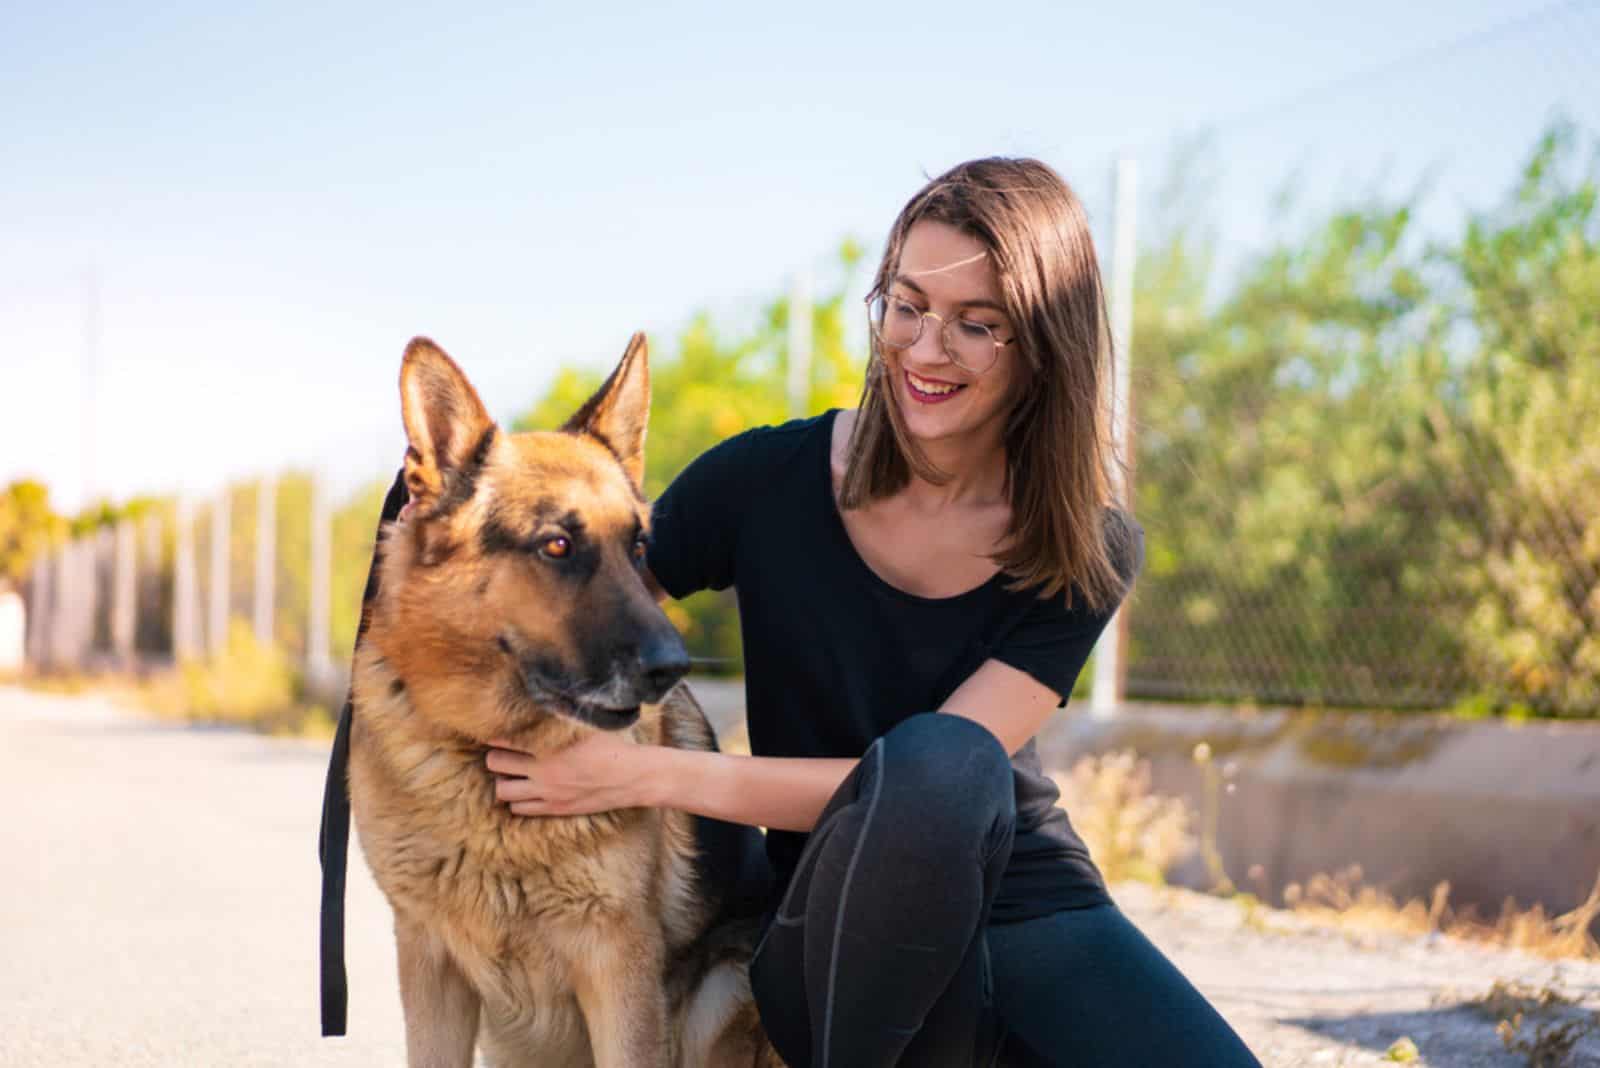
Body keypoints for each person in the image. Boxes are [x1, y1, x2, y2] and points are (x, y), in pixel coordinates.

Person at [485, 158, 1262, 1067]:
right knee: (942, 768)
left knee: (946, 762)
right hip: (841, 929)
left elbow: (921, 796)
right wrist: (459, 523)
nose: (925, 349)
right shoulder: (765, 481)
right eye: (906, 305)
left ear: (1046, 347)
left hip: (1029, 905)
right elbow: (577, 591)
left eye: (977, 325)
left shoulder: (1085, 545)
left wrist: (644, 776)